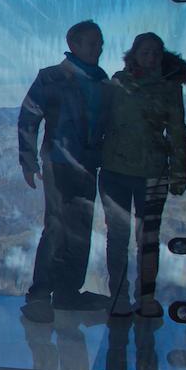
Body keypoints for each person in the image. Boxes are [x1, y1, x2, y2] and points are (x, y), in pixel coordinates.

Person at [17, 20, 111, 323]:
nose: (98, 49)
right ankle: (39, 296)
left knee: (81, 231)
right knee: (56, 228)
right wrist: (28, 161)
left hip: (89, 164)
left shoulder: (102, 79)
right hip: (58, 164)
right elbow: (29, 117)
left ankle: (68, 293)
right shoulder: (52, 77)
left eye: (99, 44)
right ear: (74, 45)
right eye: (92, 44)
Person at [99, 32, 186, 319]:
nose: (151, 58)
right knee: (117, 237)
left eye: (156, 53)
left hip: (152, 173)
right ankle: (118, 297)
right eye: (145, 52)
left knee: (148, 239)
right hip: (114, 171)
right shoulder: (116, 83)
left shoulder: (170, 88)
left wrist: (179, 173)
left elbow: (178, 131)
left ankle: (146, 298)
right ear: (134, 54)